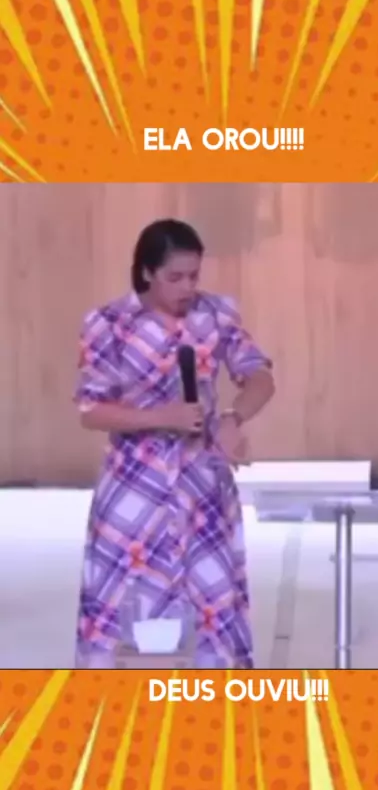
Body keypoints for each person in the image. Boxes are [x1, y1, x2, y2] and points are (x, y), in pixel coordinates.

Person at [74, 218, 275, 668]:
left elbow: (260, 377)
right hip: (133, 491)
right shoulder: (108, 324)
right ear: (147, 272)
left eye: (193, 276)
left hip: (202, 487)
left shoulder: (216, 315)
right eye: (175, 277)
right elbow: (91, 410)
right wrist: (160, 418)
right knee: (112, 617)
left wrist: (233, 418)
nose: (187, 287)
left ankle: (219, 705)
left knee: (216, 611)